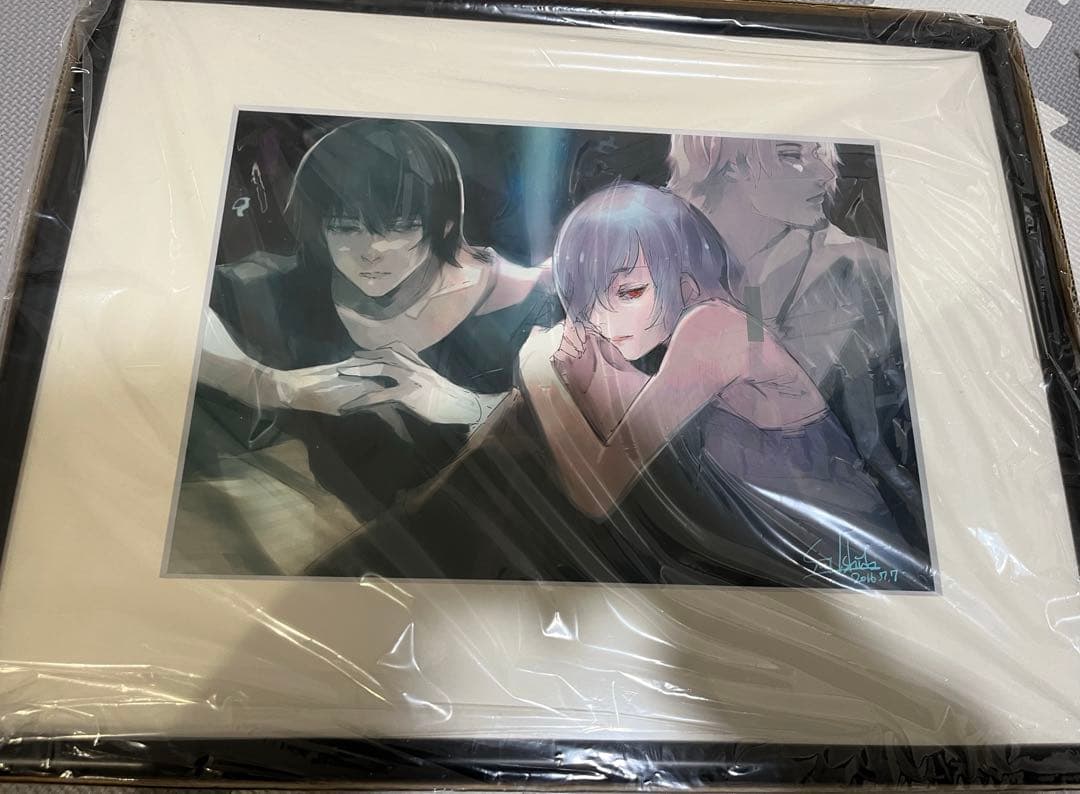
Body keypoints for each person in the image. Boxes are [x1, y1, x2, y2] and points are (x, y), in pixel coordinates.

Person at [310, 184, 932, 590]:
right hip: (766, 543)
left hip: (850, 566)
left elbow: (597, 489)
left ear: (685, 276)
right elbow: (652, 433)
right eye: (585, 301)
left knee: (527, 435)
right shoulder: (700, 334)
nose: (603, 321)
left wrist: (540, 372)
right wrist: (589, 380)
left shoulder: (716, 327)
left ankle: (380, 565)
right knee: (521, 439)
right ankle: (390, 562)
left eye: (628, 291)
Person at [188, 119, 554, 535]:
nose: (370, 251)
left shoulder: (525, 305)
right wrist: (278, 387)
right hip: (360, 543)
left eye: (399, 227)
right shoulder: (299, 290)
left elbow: (559, 456)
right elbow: (172, 307)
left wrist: (467, 407)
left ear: (445, 224)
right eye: (345, 227)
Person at [667, 136, 926, 552]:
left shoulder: (861, 273)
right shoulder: (654, 269)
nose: (826, 173)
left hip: (849, 533)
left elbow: (898, 440)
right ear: (729, 165)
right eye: (792, 155)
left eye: (821, 155)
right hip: (706, 535)